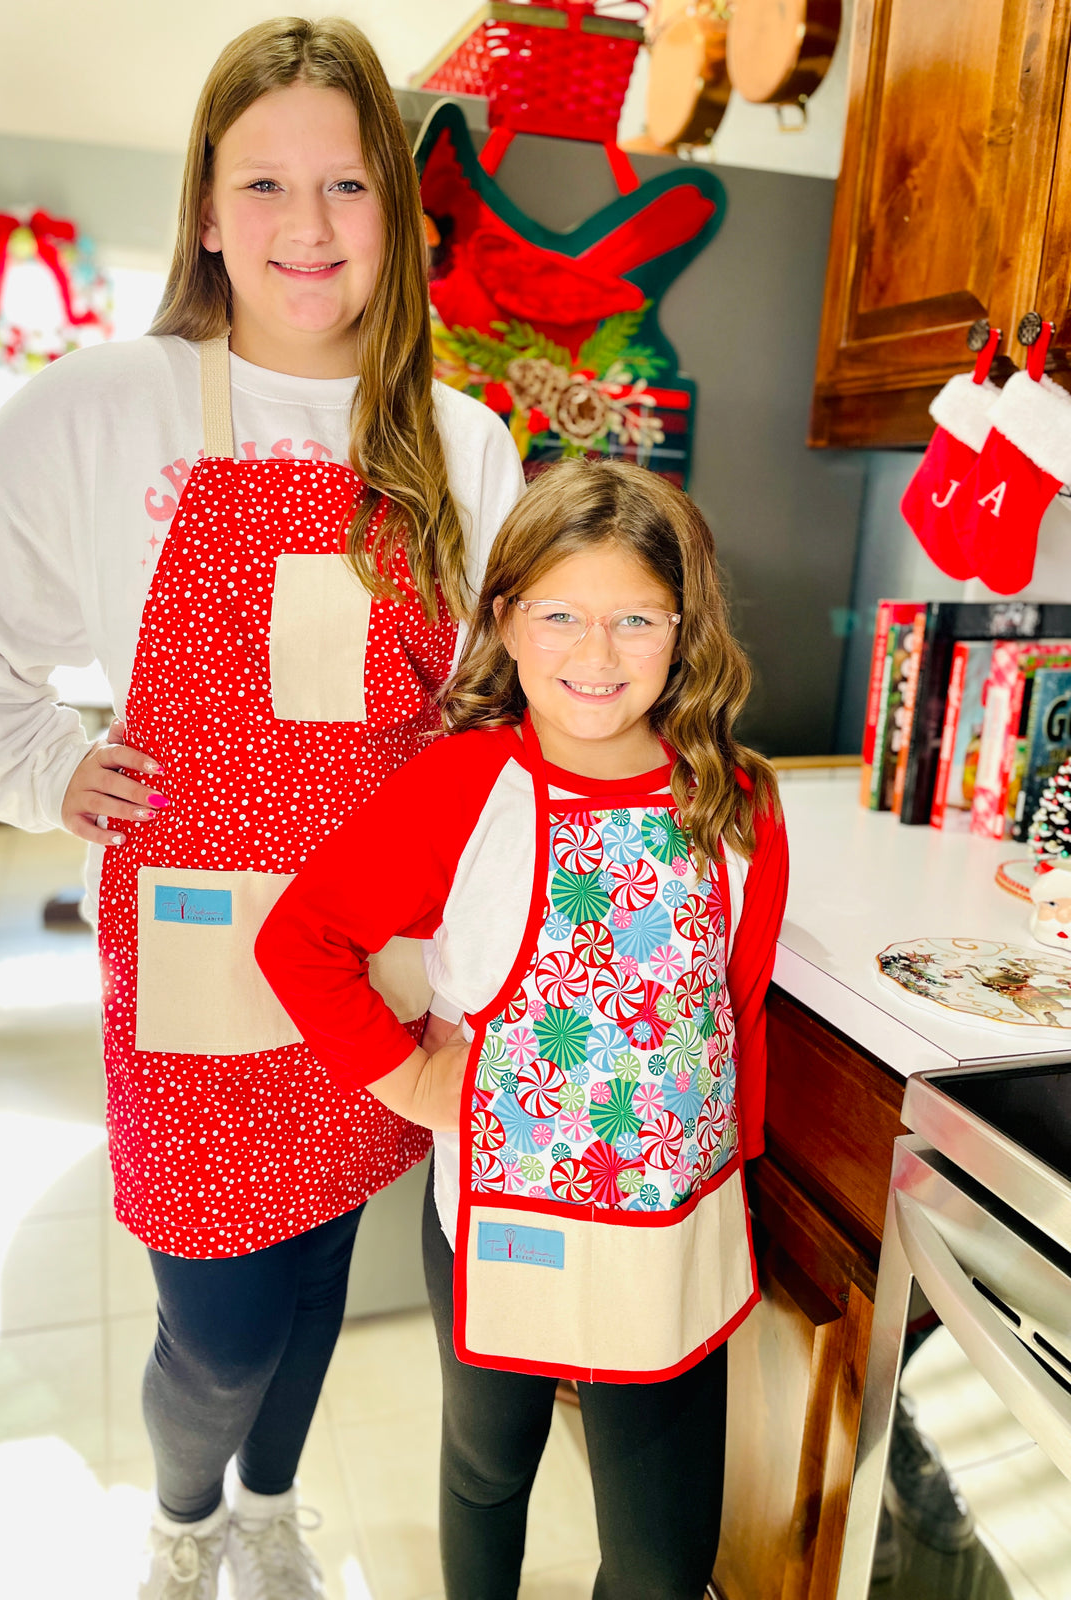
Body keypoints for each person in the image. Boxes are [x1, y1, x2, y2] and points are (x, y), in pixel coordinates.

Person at [0, 17, 524, 1600]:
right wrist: (39, 760)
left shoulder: (461, 442)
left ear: (401, 218)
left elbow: (499, 716)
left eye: (351, 184)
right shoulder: (116, 406)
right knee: (216, 1324)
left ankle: (274, 1506)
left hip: (371, 968)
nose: (310, 226)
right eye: (268, 183)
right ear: (210, 209)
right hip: (193, 972)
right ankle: (183, 1514)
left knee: (316, 1272)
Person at [259, 457, 790, 1599]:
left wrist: (733, 1173)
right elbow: (298, 939)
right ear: (504, 620)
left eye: (636, 619)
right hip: (504, 1225)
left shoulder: (736, 798)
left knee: (662, 1558)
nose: (595, 657)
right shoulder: (462, 787)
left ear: (685, 627)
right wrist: (407, 1084)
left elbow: (733, 1009)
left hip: (671, 1227)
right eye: (560, 615)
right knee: (489, 1464)